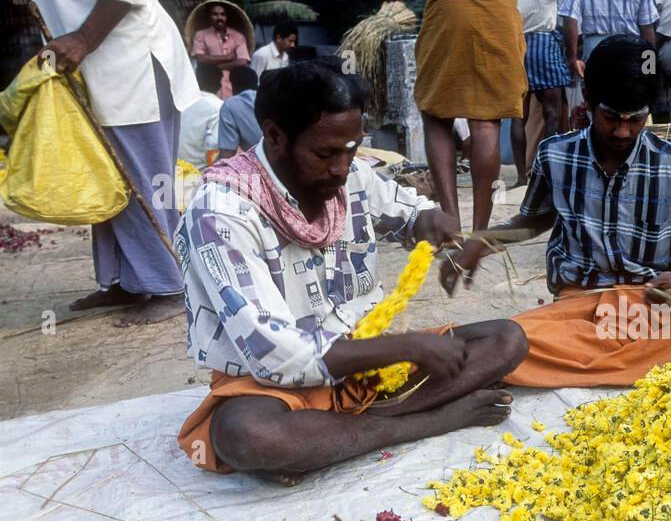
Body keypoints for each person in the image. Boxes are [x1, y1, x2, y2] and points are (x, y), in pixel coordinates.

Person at [175, 60, 526, 479]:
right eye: (324, 154)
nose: (341, 168)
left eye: (352, 149)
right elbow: (277, 356)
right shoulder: (221, 211)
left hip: (366, 361)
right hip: (275, 386)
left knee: (506, 339)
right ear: (275, 136)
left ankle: (344, 433)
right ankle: (424, 421)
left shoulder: (350, 175)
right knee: (248, 435)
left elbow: (408, 211)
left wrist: (428, 222)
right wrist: (409, 347)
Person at [438, 36, 671, 387]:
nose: (622, 130)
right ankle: (638, 362)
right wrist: (483, 241)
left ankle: (620, 361)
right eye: (611, 117)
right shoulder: (556, 155)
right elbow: (535, 219)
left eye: (636, 119)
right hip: (580, 312)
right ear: (588, 102)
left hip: (653, 310)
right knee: (507, 344)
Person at [350, 0, 588, 237]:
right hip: (499, 3)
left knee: (436, 115)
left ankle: (450, 225)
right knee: (486, 122)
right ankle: (480, 234)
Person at [17, 0, 199, 326]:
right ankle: (125, 282)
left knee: (144, 176)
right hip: (92, 64)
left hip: (127, 58)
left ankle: (169, 284)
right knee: (106, 173)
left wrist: (84, 38)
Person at [512, 0, 575, 182]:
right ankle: (546, 171)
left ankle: (521, 176)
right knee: (552, 114)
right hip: (543, 44)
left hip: (517, 46)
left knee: (519, 116)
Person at [191, 2, 251, 100]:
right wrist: (227, 57)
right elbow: (200, 58)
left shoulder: (238, 36)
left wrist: (217, 66)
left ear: (227, 17)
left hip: (235, 82)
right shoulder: (201, 35)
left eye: (222, 14)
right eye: (215, 14)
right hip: (210, 81)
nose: (219, 17)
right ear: (209, 17)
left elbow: (242, 61)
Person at [178, 64, 224, 168]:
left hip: (175, 170)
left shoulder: (182, 102)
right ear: (220, 84)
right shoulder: (219, 107)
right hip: (201, 174)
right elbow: (214, 144)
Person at [217, 65, 262, 159]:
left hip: (265, 165)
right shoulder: (270, 96)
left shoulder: (230, 105)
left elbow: (227, 154)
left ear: (233, 85)